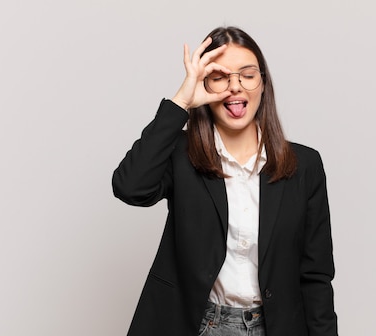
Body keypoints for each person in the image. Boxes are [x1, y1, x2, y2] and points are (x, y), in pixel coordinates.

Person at [112, 26, 337, 336]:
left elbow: (316, 276)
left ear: (263, 83)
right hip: (197, 325)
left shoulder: (305, 165)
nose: (235, 87)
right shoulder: (181, 154)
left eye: (247, 75)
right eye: (220, 77)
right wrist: (182, 101)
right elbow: (129, 187)